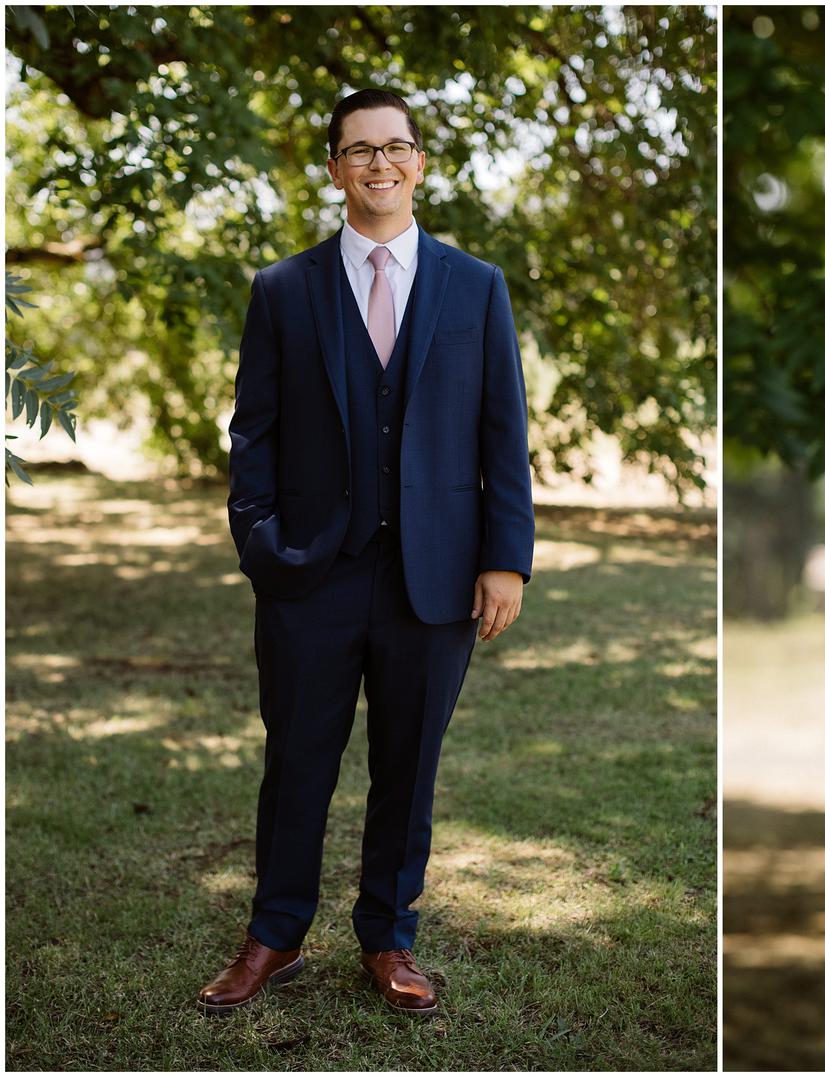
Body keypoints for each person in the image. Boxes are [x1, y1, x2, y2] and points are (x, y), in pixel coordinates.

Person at [199, 88, 535, 1016]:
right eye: (359, 150)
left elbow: (504, 431)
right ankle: (276, 933)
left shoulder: (477, 286)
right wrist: (259, 543)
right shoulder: (283, 289)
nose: (379, 164)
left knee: (407, 766)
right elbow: (253, 433)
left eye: (396, 148)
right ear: (336, 167)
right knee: (298, 758)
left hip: (435, 575)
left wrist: (506, 556)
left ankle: (390, 937)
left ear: (420, 162)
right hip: (310, 570)